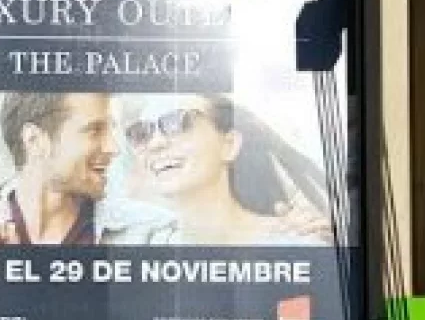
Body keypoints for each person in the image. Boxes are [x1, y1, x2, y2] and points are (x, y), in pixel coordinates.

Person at [0, 92, 174, 245]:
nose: (113, 147)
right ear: (35, 141)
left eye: (112, 129)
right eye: (94, 130)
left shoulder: (153, 234)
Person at [120, 93, 333, 246]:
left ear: (229, 145)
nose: (155, 143)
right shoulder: (140, 248)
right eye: (141, 132)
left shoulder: (293, 245)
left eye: (177, 122)